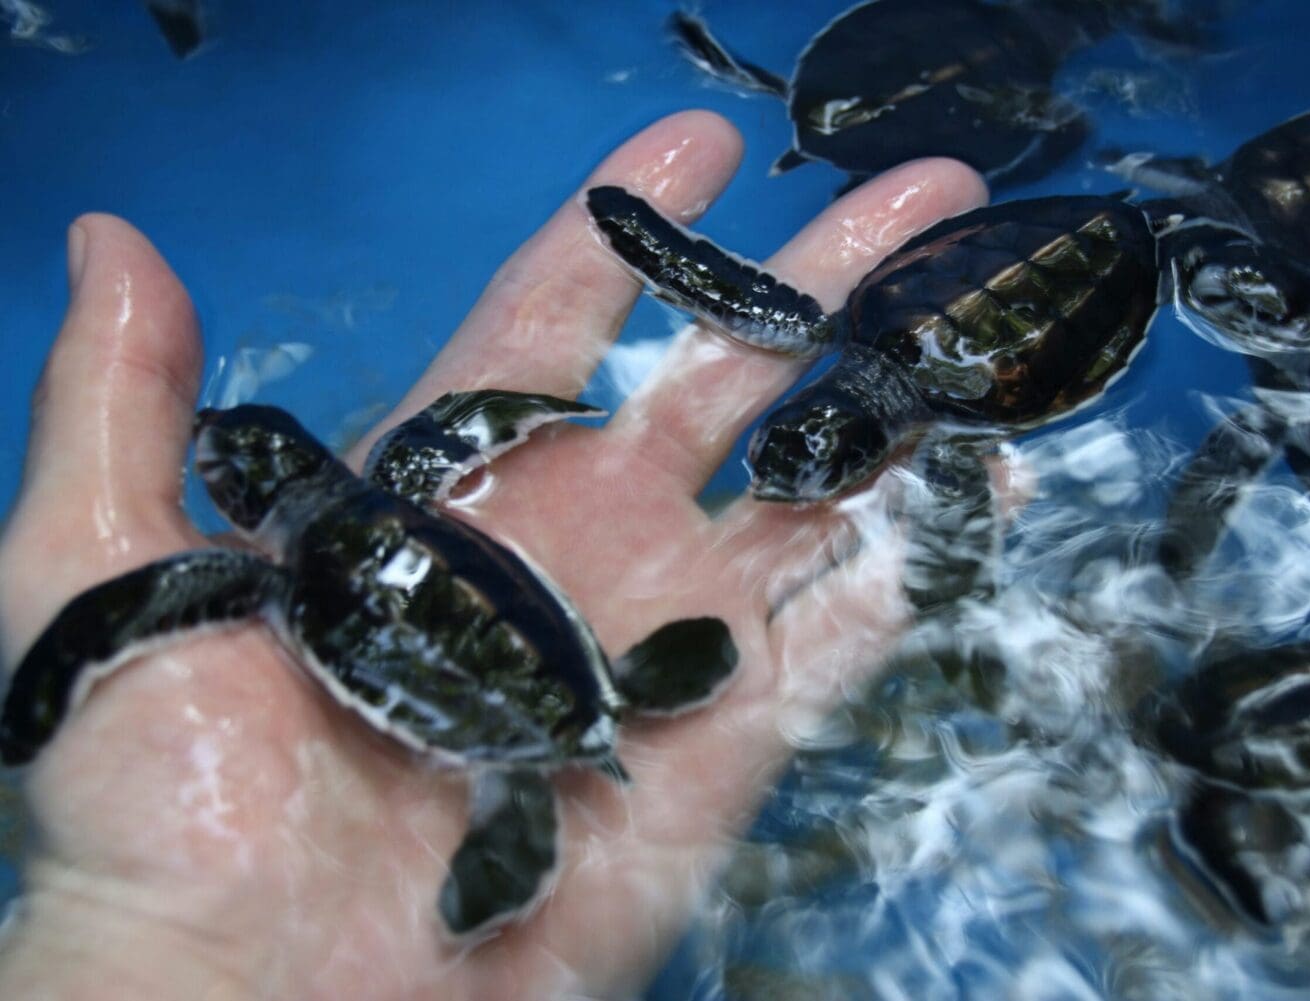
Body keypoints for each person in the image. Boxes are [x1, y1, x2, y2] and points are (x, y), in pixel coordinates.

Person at [0, 111, 987, 999]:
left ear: (248, 508)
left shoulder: (253, 578)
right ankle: (604, 712)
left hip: (465, 687)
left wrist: (49, 688)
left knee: (514, 765)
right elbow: (466, 421)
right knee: (542, 742)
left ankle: (534, 799)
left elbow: (121, 609)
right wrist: (535, 411)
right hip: (552, 655)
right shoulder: (402, 475)